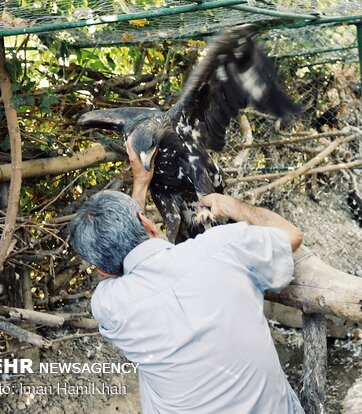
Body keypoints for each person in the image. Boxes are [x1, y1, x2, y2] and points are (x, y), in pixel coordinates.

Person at [69, 139, 305, 413]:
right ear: (146, 222)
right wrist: (229, 205)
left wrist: (141, 184)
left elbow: (128, 254)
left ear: (103, 271)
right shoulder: (223, 247)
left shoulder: (109, 306)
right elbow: (292, 235)